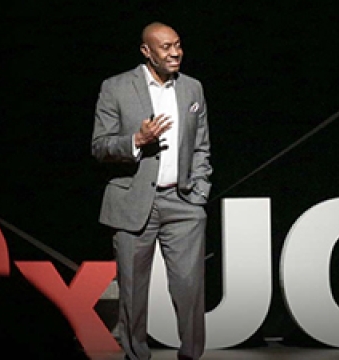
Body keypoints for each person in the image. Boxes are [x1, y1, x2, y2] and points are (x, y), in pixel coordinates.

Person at [91, 21, 212, 360]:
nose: (175, 52)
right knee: (132, 293)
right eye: (166, 47)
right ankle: (136, 356)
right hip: (132, 201)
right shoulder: (115, 88)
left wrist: (199, 192)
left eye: (178, 44)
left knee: (190, 290)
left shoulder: (192, 89)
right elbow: (99, 146)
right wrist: (136, 141)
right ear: (146, 51)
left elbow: (201, 145)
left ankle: (191, 355)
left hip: (183, 203)